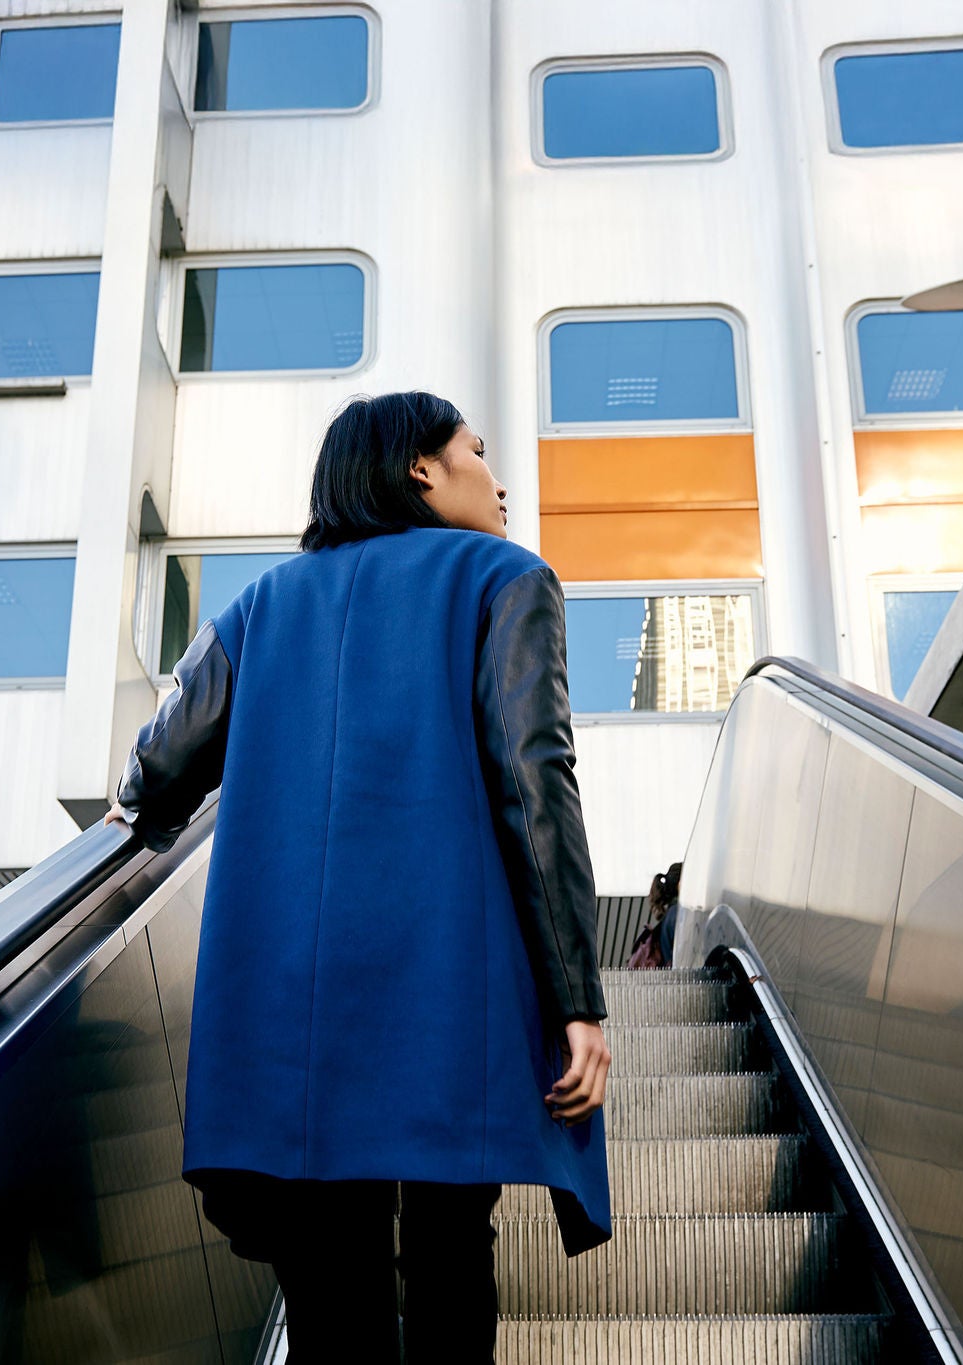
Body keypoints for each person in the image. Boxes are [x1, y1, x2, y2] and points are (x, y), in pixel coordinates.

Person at [112, 391, 612, 1363]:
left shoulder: (261, 603)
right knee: (448, 1247)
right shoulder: (503, 576)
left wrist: (135, 804)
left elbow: (163, 758)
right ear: (420, 468)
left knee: (328, 1278)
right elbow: (532, 776)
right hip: (440, 989)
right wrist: (575, 999)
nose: (496, 476)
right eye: (476, 451)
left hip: (287, 1008)